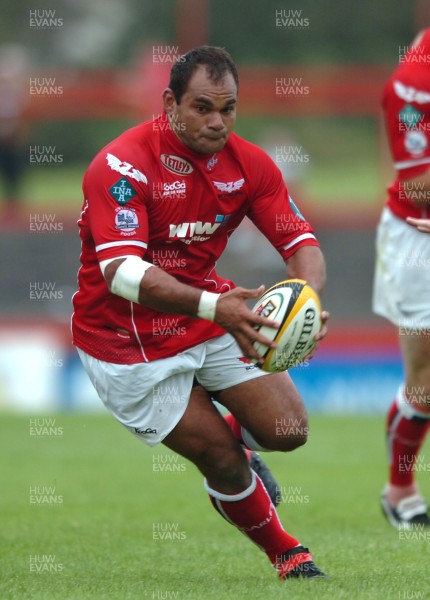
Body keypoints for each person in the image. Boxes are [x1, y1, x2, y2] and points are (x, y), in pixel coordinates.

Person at [72, 46, 329, 580]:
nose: (217, 122)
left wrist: (306, 300)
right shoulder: (120, 165)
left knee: (288, 430)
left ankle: (232, 426)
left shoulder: (250, 164)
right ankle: (288, 554)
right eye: (203, 107)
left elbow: (301, 242)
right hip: (125, 342)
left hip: (209, 315)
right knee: (222, 460)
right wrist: (217, 306)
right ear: (170, 103)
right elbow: (122, 272)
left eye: (228, 109)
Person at [373, 30, 430, 528]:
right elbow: (420, 183)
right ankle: (400, 488)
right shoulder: (413, 82)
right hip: (420, 239)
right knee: (426, 383)